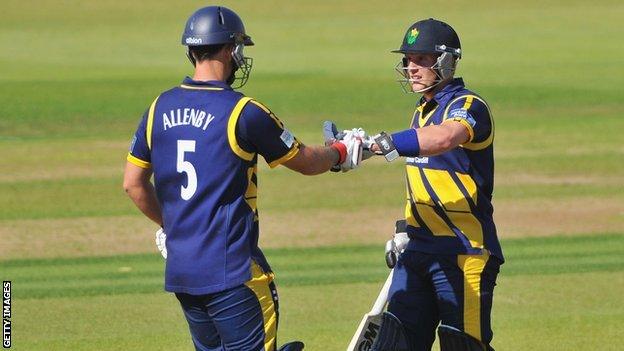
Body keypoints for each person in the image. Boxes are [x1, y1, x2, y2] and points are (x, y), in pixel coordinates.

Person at [122, 6, 362, 351]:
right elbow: (307, 162)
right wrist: (340, 152)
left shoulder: (159, 107)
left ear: (192, 50)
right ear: (229, 49)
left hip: (183, 272)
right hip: (234, 272)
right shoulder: (244, 111)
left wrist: (173, 227)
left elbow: (133, 184)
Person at [366, 19, 504, 351]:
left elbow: (443, 139)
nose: (411, 68)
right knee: (395, 342)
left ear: (445, 61)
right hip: (418, 250)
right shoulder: (423, 111)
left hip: (463, 251)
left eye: (422, 59)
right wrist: (405, 228)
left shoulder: (468, 106)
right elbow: (425, 179)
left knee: (462, 345)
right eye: (408, 59)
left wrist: (383, 143)